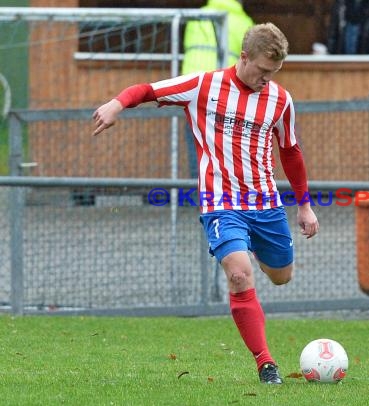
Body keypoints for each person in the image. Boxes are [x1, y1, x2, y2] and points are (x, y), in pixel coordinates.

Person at [92, 23, 319, 385]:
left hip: (265, 204)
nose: (266, 80)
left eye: (273, 73)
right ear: (244, 58)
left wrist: (304, 205)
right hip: (220, 202)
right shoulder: (204, 86)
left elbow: (290, 151)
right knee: (239, 274)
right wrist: (117, 103)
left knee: (281, 276)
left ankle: (253, 247)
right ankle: (265, 363)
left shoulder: (280, 100)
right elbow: (148, 90)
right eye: (262, 71)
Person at [182, 0, 254, 179]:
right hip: (224, 92)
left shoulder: (197, 16)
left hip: (193, 89)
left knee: (197, 145)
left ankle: (199, 195)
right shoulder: (245, 24)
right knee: (226, 148)